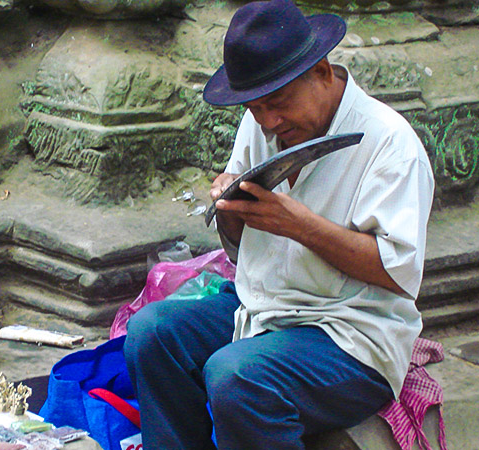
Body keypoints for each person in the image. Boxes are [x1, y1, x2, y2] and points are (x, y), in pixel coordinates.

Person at [123, 1, 435, 449]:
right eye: (254, 107)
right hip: (263, 311)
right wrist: (232, 212)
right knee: (152, 334)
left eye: (278, 103)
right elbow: (238, 250)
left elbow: (398, 271)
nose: (268, 121)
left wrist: (301, 226)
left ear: (323, 72)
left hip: (351, 334)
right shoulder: (263, 125)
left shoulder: (390, 143)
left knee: (236, 376)